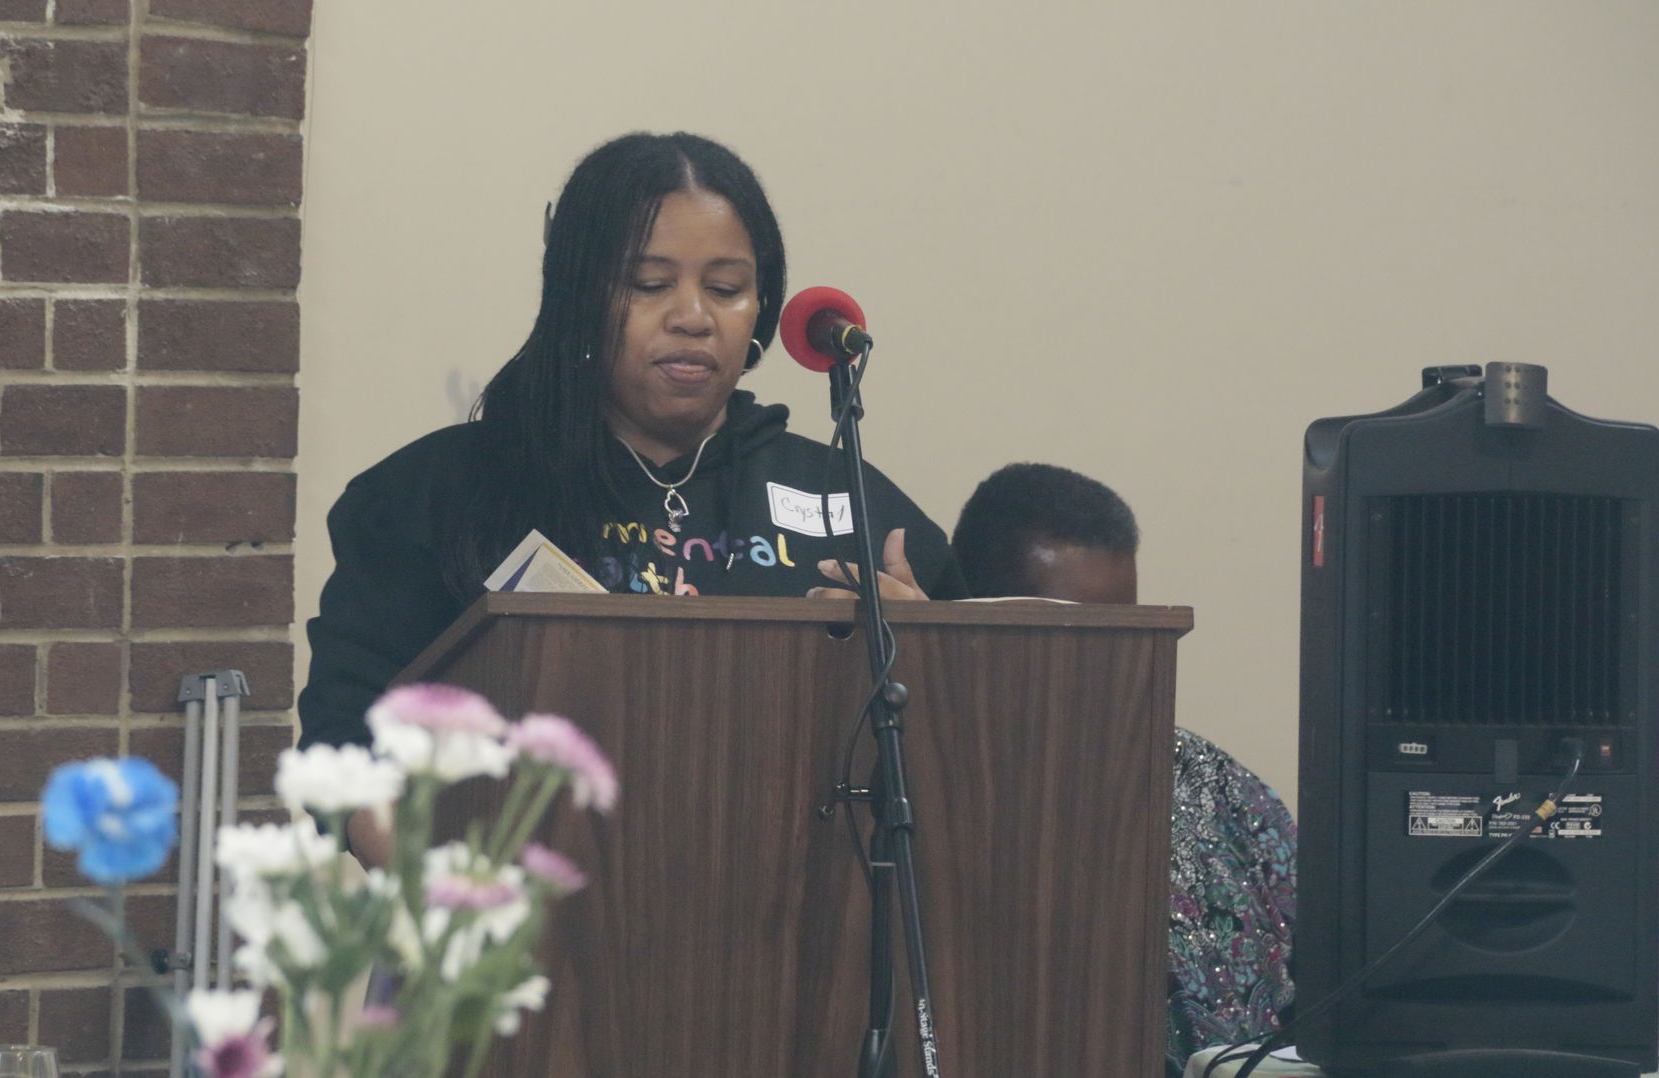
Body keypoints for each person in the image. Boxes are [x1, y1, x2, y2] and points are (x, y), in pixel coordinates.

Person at [299, 132, 968, 864]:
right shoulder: (440, 494)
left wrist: (934, 665)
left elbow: (980, 762)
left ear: (762, 310)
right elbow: (344, 747)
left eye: (725, 288)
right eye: (649, 284)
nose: (692, 316)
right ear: (579, 295)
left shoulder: (847, 502)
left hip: (789, 937)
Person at [950, 462, 1296, 1078]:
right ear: (975, 616)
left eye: (1125, 632)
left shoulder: (1214, 785)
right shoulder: (935, 777)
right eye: (1075, 634)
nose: (1106, 666)